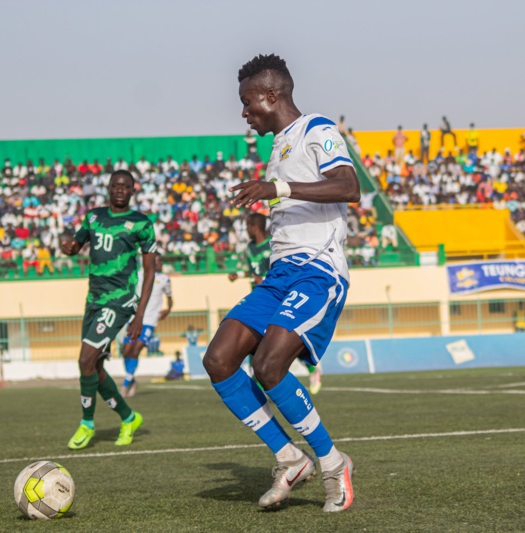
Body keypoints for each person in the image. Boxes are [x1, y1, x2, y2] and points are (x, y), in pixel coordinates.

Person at [203, 53, 357, 513]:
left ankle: (333, 463)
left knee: (269, 366)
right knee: (219, 358)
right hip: (280, 274)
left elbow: (349, 186)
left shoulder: (317, 129)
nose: (245, 113)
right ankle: (289, 458)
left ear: (272, 96)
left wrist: (278, 189)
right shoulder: (278, 147)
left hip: (318, 270)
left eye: (249, 103)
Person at [60, 170, 157, 450]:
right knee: (94, 365)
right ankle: (128, 417)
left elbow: (149, 271)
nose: (119, 190)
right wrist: (70, 248)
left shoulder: (141, 223)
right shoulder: (93, 217)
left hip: (120, 301)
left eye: (125, 186)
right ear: (108, 188)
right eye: (115, 185)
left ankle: (86, 424)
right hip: (94, 300)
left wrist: (139, 314)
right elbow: (76, 245)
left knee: (84, 360)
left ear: (132, 191)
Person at [229, 213, 323, 394]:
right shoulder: (250, 248)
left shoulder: (272, 245)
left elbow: (281, 272)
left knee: (275, 342)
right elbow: (253, 272)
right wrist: (239, 275)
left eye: (248, 226)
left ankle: (311, 369)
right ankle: (256, 389)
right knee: (255, 342)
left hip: (276, 298)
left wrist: (262, 280)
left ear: (254, 227)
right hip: (259, 299)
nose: (246, 230)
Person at [121, 253, 173, 397]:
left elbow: (170, 299)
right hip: (134, 319)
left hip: (150, 321)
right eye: (157, 262)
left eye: (161, 261)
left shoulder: (164, 279)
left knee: (136, 350)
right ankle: (131, 378)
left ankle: (125, 383)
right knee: (126, 351)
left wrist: (167, 310)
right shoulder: (139, 275)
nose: (160, 264)